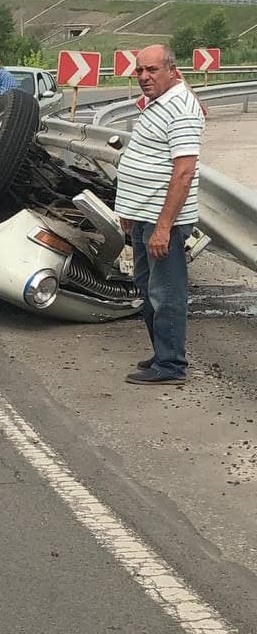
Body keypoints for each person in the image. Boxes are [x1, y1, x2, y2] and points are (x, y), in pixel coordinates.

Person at [114, 44, 205, 386]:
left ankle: (171, 365)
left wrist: (164, 227)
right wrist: (128, 210)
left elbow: (183, 173)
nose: (143, 77)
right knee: (146, 286)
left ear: (171, 70)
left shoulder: (179, 109)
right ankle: (162, 352)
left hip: (161, 220)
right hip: (143, 215)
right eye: (139, 70)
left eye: (152, 70)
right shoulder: (165, 101)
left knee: (166, 293)